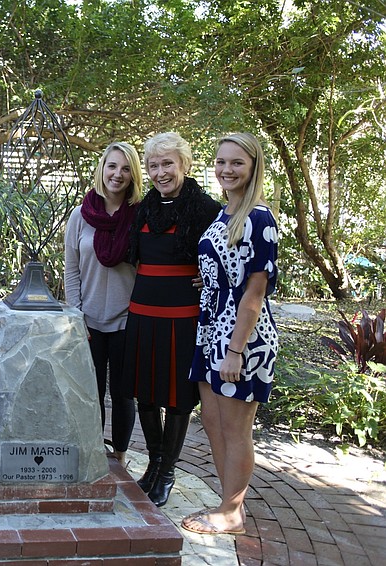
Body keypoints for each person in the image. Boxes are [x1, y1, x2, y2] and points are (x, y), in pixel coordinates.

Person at [181, 133, 278, 535]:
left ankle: (233, 513)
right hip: (210, 332)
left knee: (236, 428)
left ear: (253, 167)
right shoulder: (224, 215)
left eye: (236, 162)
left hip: (243, 339)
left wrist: (236, 350)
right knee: (212, 421)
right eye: (221, 162)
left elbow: (255, 290)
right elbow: (226, 272)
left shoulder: (259, 217)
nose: (226, 170)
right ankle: (226, 503)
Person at [123, 132, 221, 507]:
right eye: (154, 165)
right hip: (142, 313)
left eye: (168, 164)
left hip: (184, 316)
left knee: (178, 398)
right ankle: (152, 463)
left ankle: (167, 472)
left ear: (185, 165)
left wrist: (208, 274)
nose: (161, 172)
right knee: (145, 395)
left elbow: (228, 261)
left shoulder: (207, 210)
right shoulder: (144, 209)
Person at [64, 142, 142, 467]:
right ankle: (93, 451)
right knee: (89, 394)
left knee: (124, 395)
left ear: (133, 174)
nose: (117, 174)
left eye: (125, 168)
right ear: (102, 169)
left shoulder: (140, 216)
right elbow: (70, 269)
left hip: (127, 320)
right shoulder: (81, 215)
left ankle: (120, 456)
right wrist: (75, 315)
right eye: (112, 166)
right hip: (89, 321)